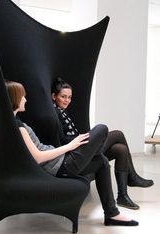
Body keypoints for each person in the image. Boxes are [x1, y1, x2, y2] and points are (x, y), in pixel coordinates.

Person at [0, 80, 138, 226]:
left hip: (60, 158)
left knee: (101, 161)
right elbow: (37, 157)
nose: (27, 99)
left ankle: (111, 213)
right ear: (16, 99)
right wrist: (70, 146)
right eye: (24, 96)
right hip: (61, 164)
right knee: (102, 128)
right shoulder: (17, 127)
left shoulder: (11, 124)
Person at [51, 77, 154, 211]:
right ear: (54, 96)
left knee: (120, 149)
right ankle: (132, 177)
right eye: (63, 96)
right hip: (76, 155)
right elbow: (61, 140)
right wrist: (81, 139)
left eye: (69, 97)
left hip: (80, 149)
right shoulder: (54, 114)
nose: (67, 100)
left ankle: (122, 196)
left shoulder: (61, 111)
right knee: (118, 134)